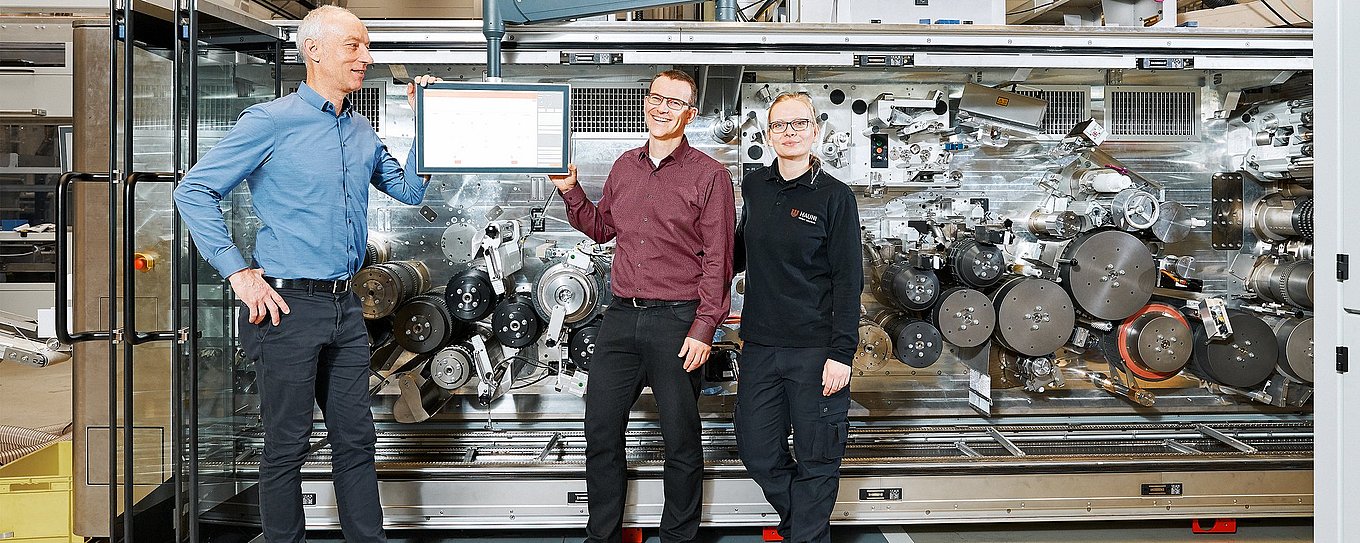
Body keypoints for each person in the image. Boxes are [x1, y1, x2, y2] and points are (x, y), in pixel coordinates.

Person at [174, 6, 438, 542]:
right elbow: (193, 191)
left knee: (356, 441)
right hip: (286, 307)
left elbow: (409, 191)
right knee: (286, 446)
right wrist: (239, 273)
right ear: (315, 51)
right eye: (354, 46)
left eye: (367, 47)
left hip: (348, 306)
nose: (366, 57)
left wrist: (427, 122)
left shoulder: (361, 129)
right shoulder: (269, 122)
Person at [550, 69, 736, 543]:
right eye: (655, 98)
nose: (661, 108)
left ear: (690, 114)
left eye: (674, 102)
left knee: (680, 439)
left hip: (678, 321)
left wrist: (704, 327)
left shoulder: (710, 175)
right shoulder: (623, 166)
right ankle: (603, 535)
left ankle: (677, 536)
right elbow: (603, 229)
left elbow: (720, 257)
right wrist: (571, 190)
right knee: (600, 432)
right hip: (621, 316)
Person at [733, 92, 864, 543]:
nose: (789, 132)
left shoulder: (835, 197)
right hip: (761, 348)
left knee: (818, 457)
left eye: (799, 124)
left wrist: (841, 353)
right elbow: (735, 253)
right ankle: (802, 525)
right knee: (757, 452)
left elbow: (850, 280)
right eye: (780, 125)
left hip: (815, 351)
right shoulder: (754, 187)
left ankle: (805, 537)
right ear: (768, 134)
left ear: (816, 130)